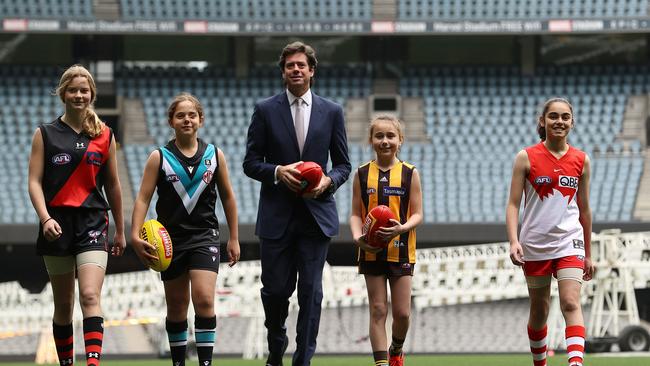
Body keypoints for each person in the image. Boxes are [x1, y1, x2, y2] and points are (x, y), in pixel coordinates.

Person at [243, 41, 351, 366]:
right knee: (275, 292)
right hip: (277, 218)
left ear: (311, 71)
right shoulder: (265, 110)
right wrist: (277, 171)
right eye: (290, 65)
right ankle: (276, 348)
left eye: (301, 65)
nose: (296, 70)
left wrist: (327, 182)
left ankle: (302, 360)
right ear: (283, 72)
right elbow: (250, 163)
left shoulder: (332, 111)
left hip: (316, 218)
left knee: (312, 294)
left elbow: (344, 165)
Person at [131, 93, 240, 366]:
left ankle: (205, 363)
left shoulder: (215, 155)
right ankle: (178, 363)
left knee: (204, 299)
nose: (187, 119)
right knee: (177, 306)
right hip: (169, 241)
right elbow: (143, 198)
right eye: (181, 115)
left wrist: (234, 238)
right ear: (171, 121)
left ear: (200, 120)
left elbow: (228, 196)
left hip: (205, 237)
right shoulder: (159, 157)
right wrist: (135, 234)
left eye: (192, 115)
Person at [27, 64, 126, 366]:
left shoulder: (105, 135)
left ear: (91, 94)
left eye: (84, 90)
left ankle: (93, 363)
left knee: (89, 296)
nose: (79, 95)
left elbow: (113, 184)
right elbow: (33, 182)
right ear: (63, 94)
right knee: (64, 304)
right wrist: (45, 218)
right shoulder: (44, 134)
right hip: (56, 225)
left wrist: (120, 230)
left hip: (93, 224)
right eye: (73, 90)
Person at [506, 97, 595, 366]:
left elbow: (585, 211)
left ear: (572, 122)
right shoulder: (526, 157)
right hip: (535, 245)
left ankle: (575, 363)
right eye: (553, 116)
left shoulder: (582, 160)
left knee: (570, 302)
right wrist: (513, 241)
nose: (559, 121)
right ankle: (540, 363)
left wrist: (588, 254)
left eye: (565, 117)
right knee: (539, 309)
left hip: (570, 242)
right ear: (542, 121)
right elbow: (512, 204)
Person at [349, 115, 423, 366]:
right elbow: (355, 214)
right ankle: (381, 364)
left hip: (401, 250)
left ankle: (396, 349)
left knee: (402, 313)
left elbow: (418, 214)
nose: (385, 141)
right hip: (371, 251)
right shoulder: (360, 174)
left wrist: (401, 228)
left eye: (390, 136)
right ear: (371, 140)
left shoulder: (410, 173)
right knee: (378, 310)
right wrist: (357, 238)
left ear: (400, 140)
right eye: (379, 136)